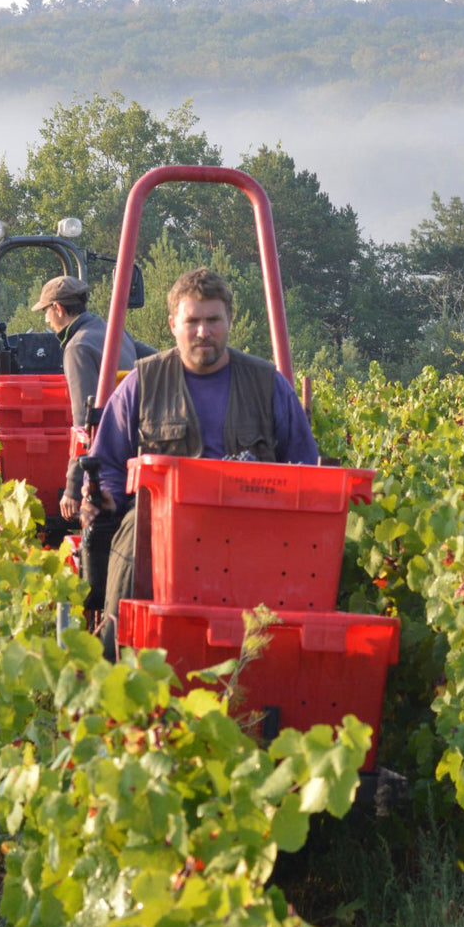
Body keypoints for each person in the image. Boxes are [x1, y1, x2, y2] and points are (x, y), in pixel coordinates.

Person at [81, 267, 320, 655]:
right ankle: (118, 663)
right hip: (157, 531)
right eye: (193, 321)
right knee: (125, 554)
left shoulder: (267, 383)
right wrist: (106, 495)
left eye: (213, 320)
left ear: (230, 321)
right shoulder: (142, 382)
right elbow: (106, 460)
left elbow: (303, 465)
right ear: (173, 323)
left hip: (249, 528)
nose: (203, 332)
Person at [32, 273, 153, 522]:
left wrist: (73, 489)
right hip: (137, 450)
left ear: (58, 308)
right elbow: (158, 361)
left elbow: (85, 425)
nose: (45, 319)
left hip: (109, 464)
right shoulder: (113, 331)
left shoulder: (78, 348)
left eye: (46, 311)